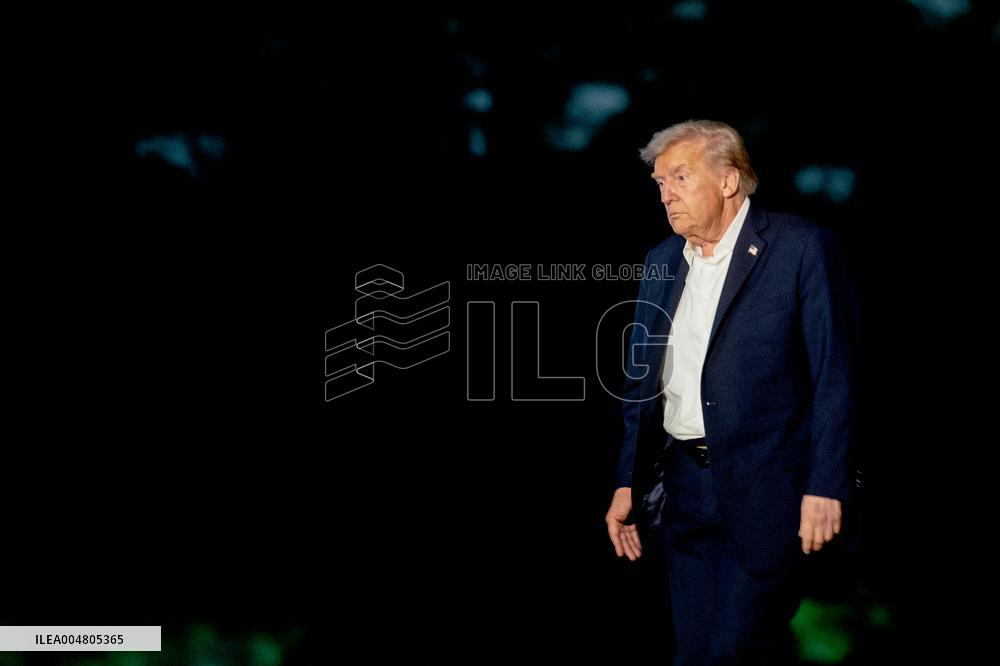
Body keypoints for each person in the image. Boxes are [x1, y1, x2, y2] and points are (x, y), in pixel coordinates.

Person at [605, 120, 857, 665]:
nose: (665, 192)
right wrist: (627, 480)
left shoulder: (800, 248)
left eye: (679, 176)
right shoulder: (661, 261)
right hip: (682, 494)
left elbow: (834, 375)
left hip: (770, 492)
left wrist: (827, 485)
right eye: (659, 182)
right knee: (691, 656)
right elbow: (642, 385)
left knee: (732, 654)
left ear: (728, 180)